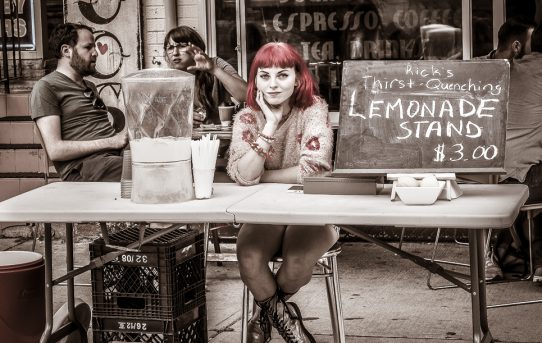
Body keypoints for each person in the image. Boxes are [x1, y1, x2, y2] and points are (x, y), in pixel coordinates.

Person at [227, 42, 336, 343]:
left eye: (282, 75)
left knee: (299, 259)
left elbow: (314, 170)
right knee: (248, 255)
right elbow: (242, 175)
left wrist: (263, 176)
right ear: (255, 81)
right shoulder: (248, 117)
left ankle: (266, 314)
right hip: (265, 212)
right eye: (264, 76)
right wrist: (270, 125)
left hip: (312, 209)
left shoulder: (314, 109)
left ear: (298, 78)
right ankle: (291, 328)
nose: (273, 84)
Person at [30, 23, 128, 182]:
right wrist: (112, 141)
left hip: (113, 157)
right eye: (88, 47)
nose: (95, 52)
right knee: (145, 170)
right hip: (84, 167)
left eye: (95, 47)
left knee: (162, 156)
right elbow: (55, 150)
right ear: (66, 51)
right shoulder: (46, 87)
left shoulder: (89, 86)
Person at [498, 23, 542, 283]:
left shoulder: (490, 69)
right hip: (523, 182)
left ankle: (502, 253)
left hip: (484, 178)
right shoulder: (537, 70)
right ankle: (538, 262)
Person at [163, 26, 247, 126]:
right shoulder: (167, 80)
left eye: (181, 46)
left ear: (196, 47)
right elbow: (157, 118)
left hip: (219, 138)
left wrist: (214, 69)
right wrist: (181, 117)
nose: (175, 53)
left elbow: (246, 95)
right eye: (170, 48)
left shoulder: (215, 64)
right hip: (188, 139)